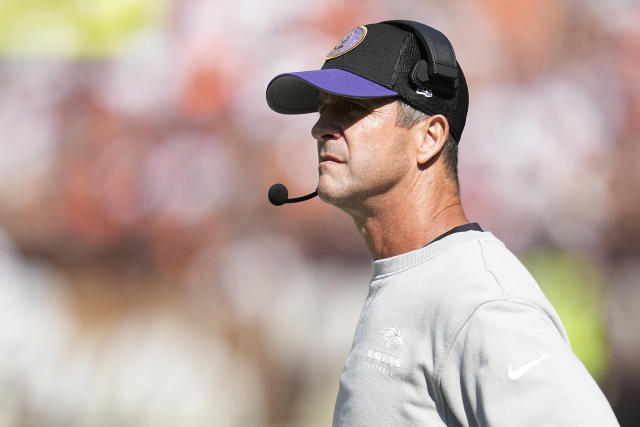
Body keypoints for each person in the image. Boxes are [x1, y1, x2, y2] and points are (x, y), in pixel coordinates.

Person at [265, 21, 619, 426]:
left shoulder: (482, 301)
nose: (319, 127)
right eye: (324, 106)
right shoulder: (418, 277)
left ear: (429, 137)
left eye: (352, 107)